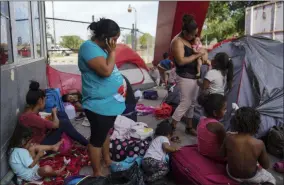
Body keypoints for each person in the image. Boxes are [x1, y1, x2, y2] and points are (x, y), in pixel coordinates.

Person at [78, 18, 126, 177]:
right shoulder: (88, 47)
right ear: (105, 36)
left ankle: (108, 160)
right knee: (97, 140)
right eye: (114, 39)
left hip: (109, 104)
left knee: (105, 133)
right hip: (98, 105)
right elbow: (105, 71)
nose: (116, 42)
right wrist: (112, 52)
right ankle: (97, 173)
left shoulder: (103, 48)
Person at [170, 14, 210, 136]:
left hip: (194, 76)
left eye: (195, 34)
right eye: (192, 34)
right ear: (184, 32)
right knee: (185, 103)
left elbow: (200, 49)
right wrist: (197, 55)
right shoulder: (177, 41)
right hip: (184, 76)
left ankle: (189, 126)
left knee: (192, 102)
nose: (194, 37)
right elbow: (181, 61)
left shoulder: (190, 38)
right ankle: (171, 128)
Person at [19, 81, 88, 148]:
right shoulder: (31, 117)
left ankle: (74, 136)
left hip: (39, 138)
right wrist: (54, 113)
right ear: (40, 101)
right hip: (39, 145)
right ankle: (86, 143)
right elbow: (55, 125)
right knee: (64, 123)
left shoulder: (28, 112)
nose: (45, 102)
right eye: (45, 100)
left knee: (61, 114)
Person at [222, 107, 276, 185]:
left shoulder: (228, 137)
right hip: (251, 177)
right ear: (256, 125)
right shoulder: (259, 144)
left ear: (234, 123)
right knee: (271, 179)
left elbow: (221, 154)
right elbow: (266, 165)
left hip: (231, 175)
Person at [197, 94, 227, 161]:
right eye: (224, 109)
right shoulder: (218, 126)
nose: (226, 111)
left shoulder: (202, 119)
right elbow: (225, 146)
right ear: (215, 113)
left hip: (202, 151)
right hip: (214, 157)